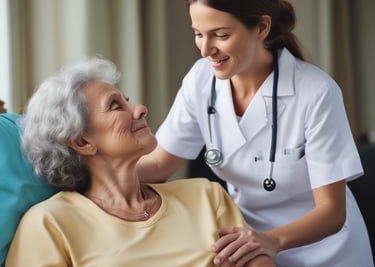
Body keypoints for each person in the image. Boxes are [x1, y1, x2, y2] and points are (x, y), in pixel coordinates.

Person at [136, 0, 374, 266]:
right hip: (249, 247)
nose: (205, 50)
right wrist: (89, 173)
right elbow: (159, 164)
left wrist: (272, 240)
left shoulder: (316, 92)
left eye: (221, 35)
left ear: (262, 27)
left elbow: (332, 212)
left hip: (327, 250)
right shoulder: (200, 80)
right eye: (198, 34)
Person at [5, 57, 275, 267]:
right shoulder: (50, 223)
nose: (140, 109)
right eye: (116, 105)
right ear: (82, 142)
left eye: (128, 100)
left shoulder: (206, 196)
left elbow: (256, 261)